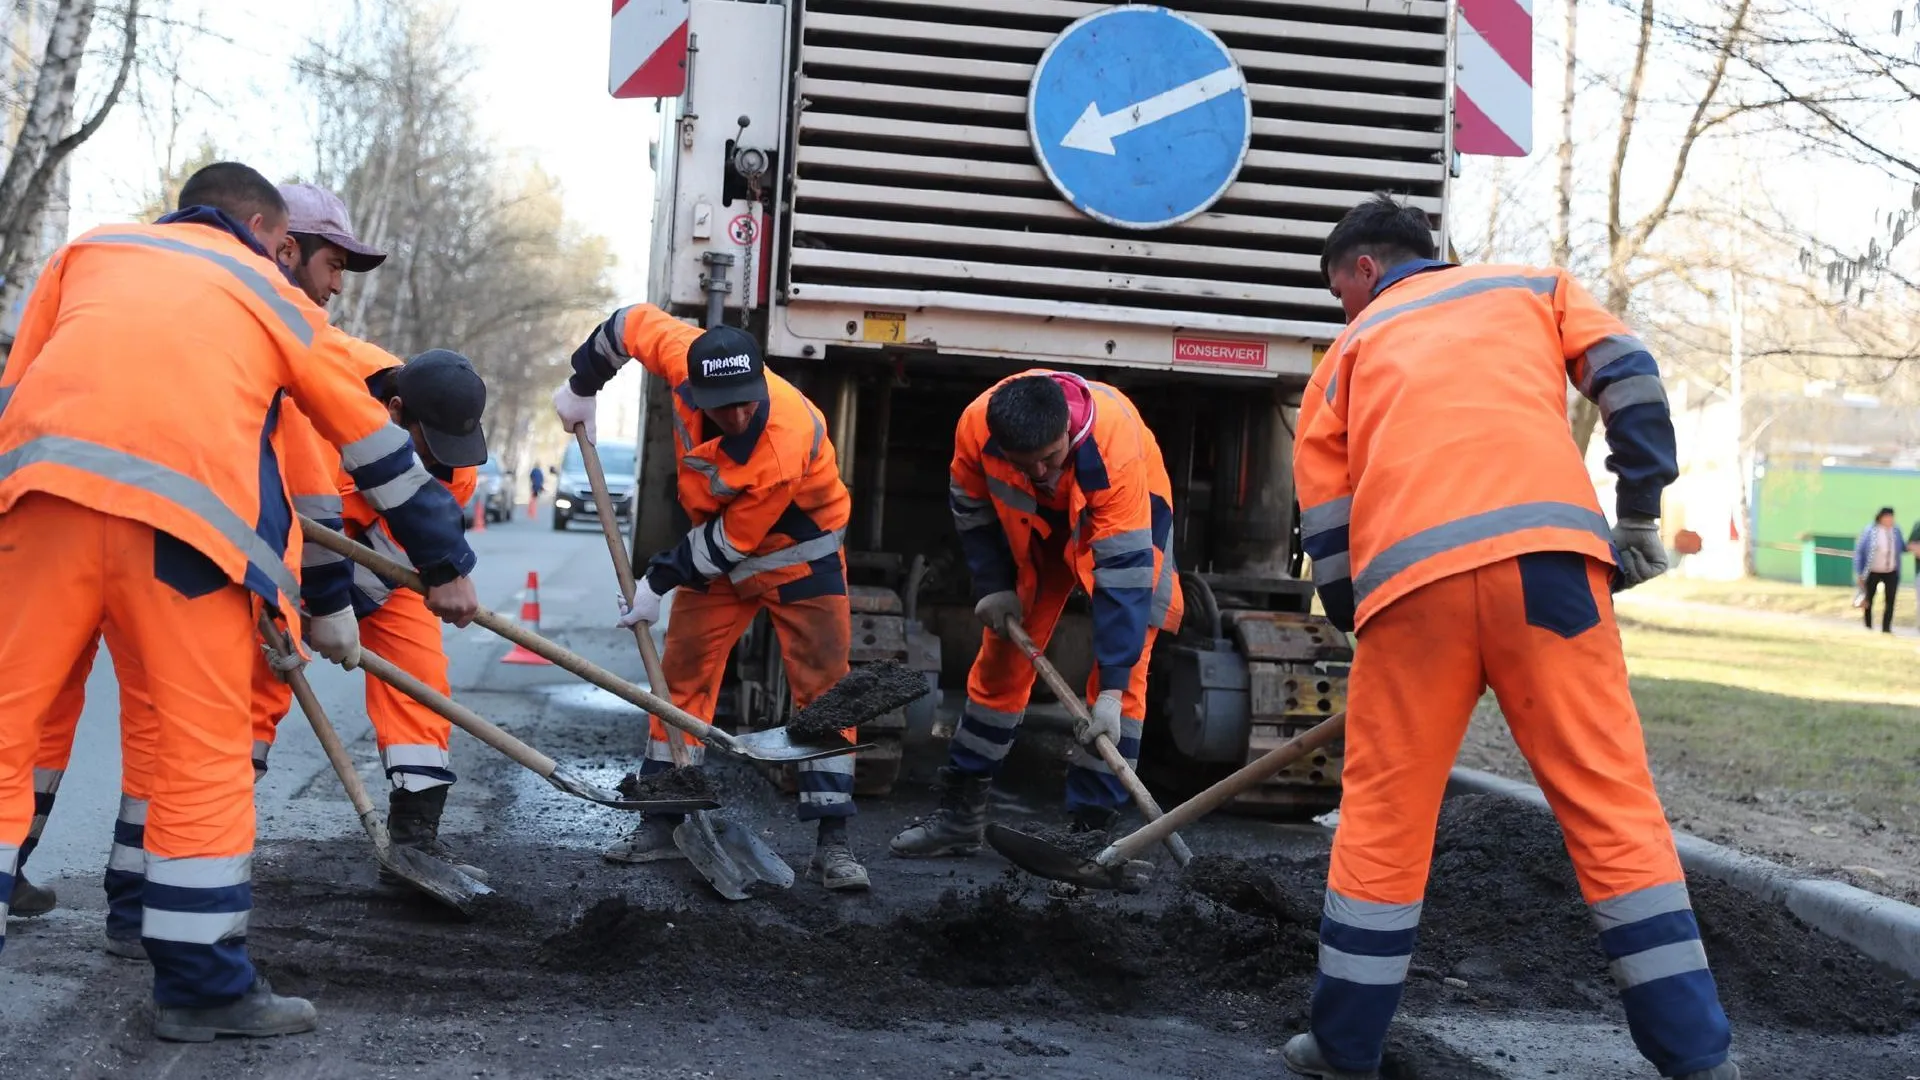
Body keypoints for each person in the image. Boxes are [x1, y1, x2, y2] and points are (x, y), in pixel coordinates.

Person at [0, 161, 480, 1040]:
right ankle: (201, 988)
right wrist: (445, 564)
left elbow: (15, 389)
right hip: (183, 541)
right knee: (200, 754)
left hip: (39, 512)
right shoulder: (269, 293)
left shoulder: (89, 250)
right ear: (271, 234)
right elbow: (369, 448)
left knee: (3, 728)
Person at [1282, 195, 1736, 1080]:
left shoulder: (1345, 357)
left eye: (1341, 291)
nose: (1345, 309)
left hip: (1409, 598)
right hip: (1552, 578)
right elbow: (1631, 377)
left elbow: (1329, 534)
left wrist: (1364, 630)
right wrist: (1638, 513)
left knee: (1382, 823)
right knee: (1613, 809)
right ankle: (1696, 1059)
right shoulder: (1534, 287)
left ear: (1366, 269)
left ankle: (1341, 1051)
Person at [552, 305, 868, 891]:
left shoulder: (783, 441)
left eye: (749, 399)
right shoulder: (681, 353)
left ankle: (834, 845)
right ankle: (664, 820)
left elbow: (729, 544)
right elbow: (627, 324)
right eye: (725, 405)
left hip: (799, 555)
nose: (741, 413)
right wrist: (582, 383)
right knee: (681, 678)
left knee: (826, 688)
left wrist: (656, 581)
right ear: (692, 388)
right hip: (715, 544)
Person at [889, 371, 1182, 858]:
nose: (1043, 472)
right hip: (1040, 529)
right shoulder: (976, 430)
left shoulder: (1114, 452)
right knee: (1002, 660)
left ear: (1066, 427)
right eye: (1030, 466)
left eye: (1051, 457)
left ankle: (1089, 842)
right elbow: (973, 508)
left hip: (1125, 525)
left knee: (1125, 680)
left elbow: (1125, 582)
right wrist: (994, 586)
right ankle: (961, 816)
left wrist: (1108, 692)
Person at [1854, 507, 1901, 633]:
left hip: (1891, 571)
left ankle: (1886, 628)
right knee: (1869, 599)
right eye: (1887, 517)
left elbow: (1902, 546)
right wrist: (1859, 572)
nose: (1890, 520)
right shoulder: (1871, 531)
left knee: (1890, 600)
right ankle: (1868, 626)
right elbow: (1860, 552)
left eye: (1892, 517)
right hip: (1873, 570)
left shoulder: (1895, 531)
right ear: (1880, 517)